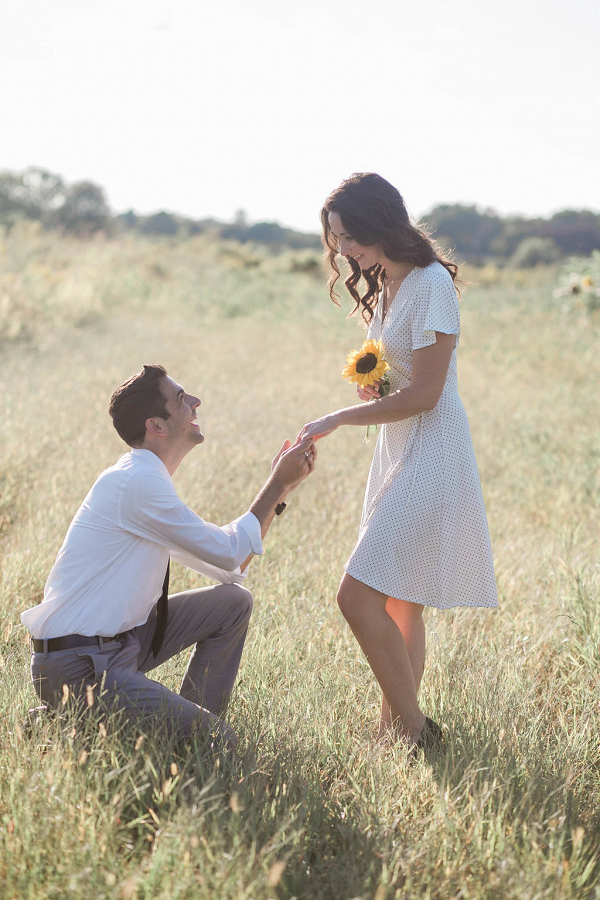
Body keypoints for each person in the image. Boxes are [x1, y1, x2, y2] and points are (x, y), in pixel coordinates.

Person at [298, 173, 497, 752]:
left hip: (433, 451)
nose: (340, 249)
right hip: (397, 448)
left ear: (377, 221)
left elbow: (428, 395)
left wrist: (337, 418)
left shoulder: (432, 284)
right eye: (333, 238)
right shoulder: (385, 283)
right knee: (398, 597)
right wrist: (377, 389)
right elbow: (400, 385)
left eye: (346, 234)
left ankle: (413, 727)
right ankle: (395, 730)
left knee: (356, 596)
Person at [22, 364, 316, 746]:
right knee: (221, 744)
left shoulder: (146, 479)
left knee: (232, 602)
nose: (196, 402)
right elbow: (230, 554)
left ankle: (190, 727)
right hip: (81, 666)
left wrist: (281, 493)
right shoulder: (138, 483)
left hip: (114, 647)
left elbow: (230, 569)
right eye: (181, 398)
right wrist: (276, 482)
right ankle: (85, 719)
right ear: (156, 426)